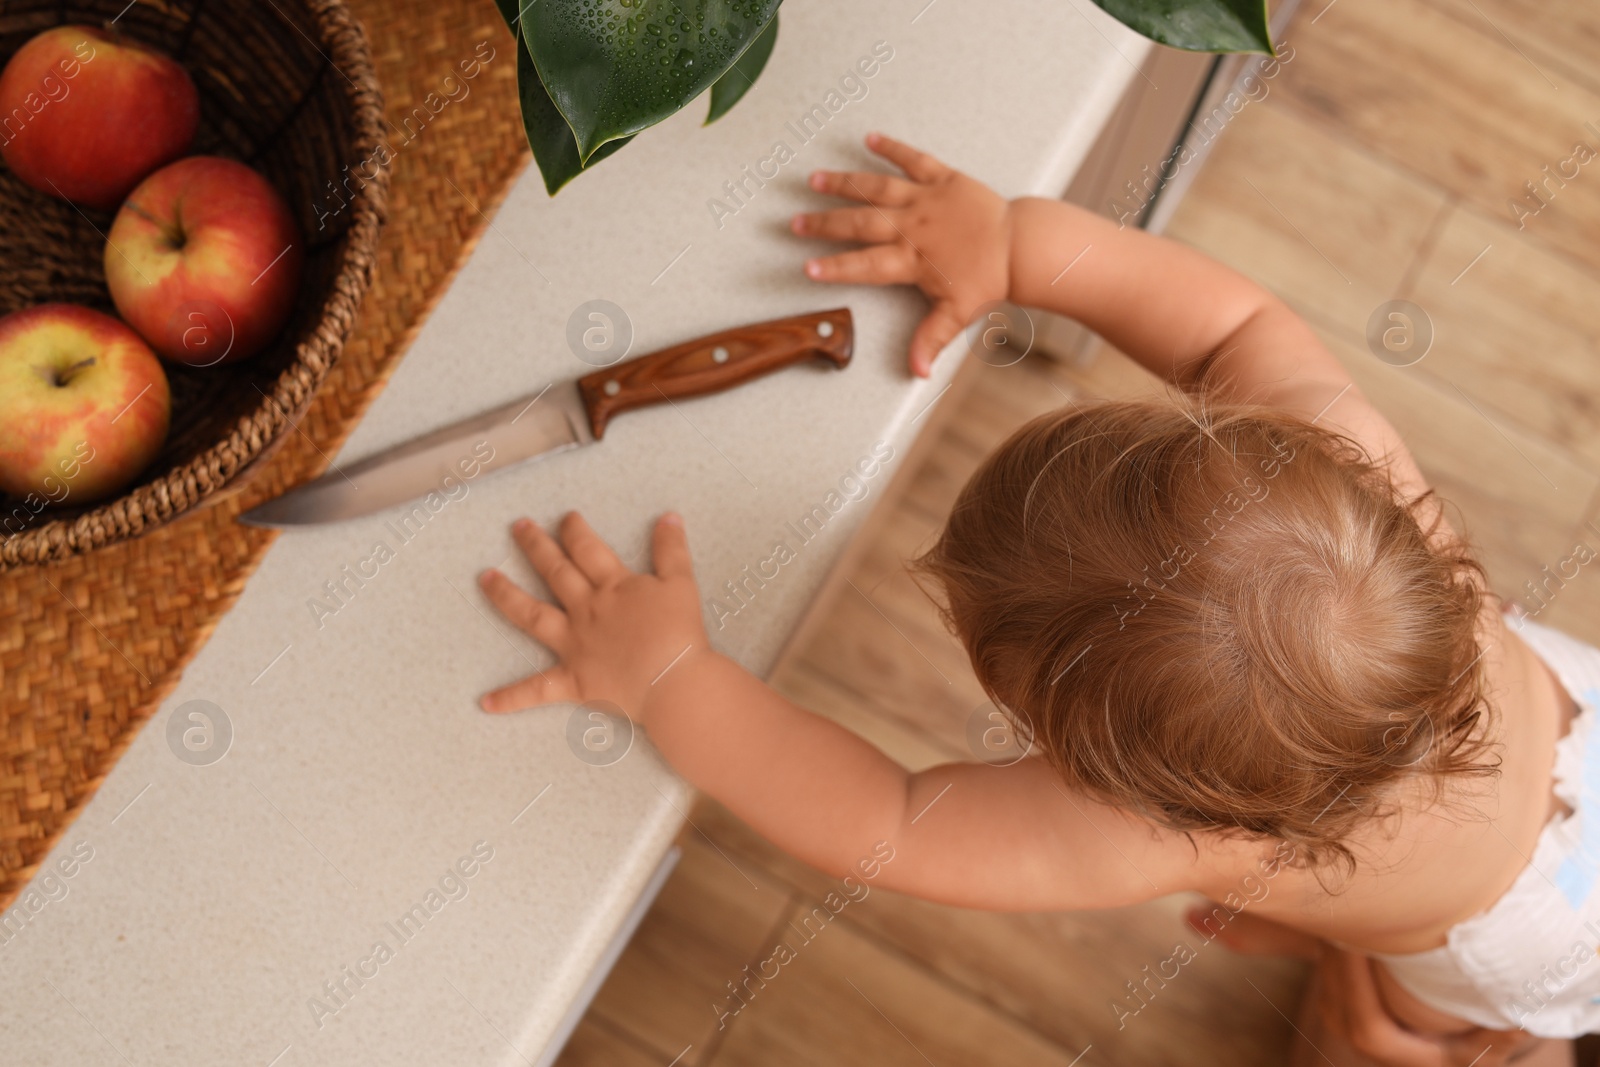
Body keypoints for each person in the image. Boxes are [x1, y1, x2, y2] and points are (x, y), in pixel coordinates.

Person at [475, 133, 1593, 1065]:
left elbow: (887, 821)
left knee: (1369, 1026)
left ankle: (1429, 1006)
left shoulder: (1152, 839)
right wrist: (1010, 244)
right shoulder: (1355, 474)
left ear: (1109, 779)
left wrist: (671, 679)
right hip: (1575, 735)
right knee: (1373, 893)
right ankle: (1347, 916)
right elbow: (1228, 332)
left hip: (1521, 950)